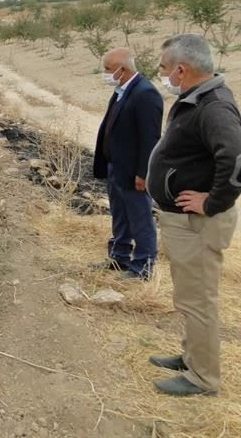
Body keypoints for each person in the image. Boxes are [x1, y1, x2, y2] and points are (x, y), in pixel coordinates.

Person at [146, 33, 241, 396]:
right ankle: (191, 357)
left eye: (164, 67)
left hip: (198, 223)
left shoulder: (213, 106)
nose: (162, 73)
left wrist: (212, 202)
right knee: (190, 297)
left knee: (199, 301)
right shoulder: (197, 99)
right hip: (185, 224)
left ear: (181, 69)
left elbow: (235, 159)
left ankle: (203, 379)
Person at [93, 47, 163, 279]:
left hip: (134, 171)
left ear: (123, 69)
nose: (105, 73)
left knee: (140, 217)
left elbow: (150, 138)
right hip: (116, 167)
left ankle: (143, 266)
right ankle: (120, 257)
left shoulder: (145, 94)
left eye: (108, 69)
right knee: (120, 214)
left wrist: (143, 173)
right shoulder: (121, 90)